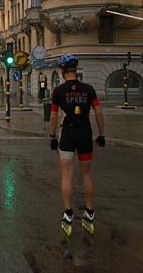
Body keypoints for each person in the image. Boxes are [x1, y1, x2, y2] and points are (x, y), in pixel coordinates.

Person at [49, 54, 105, 234]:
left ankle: (68, 212)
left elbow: (53, 116)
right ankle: (89, 211)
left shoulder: (58, 91)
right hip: (85, 133)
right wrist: (102, 134)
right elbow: (98, 111)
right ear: (76, 69)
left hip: (68, 134)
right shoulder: (88, 89)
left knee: (67, 174)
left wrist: (52, 136)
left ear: (63, 71)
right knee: (86, 173)